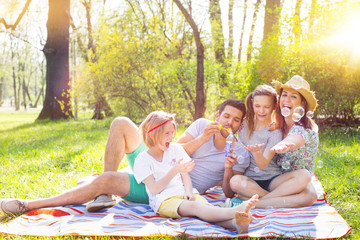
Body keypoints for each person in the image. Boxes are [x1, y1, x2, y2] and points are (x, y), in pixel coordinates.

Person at [0, 99, 249, 216]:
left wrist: (228, 170)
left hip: (166, 190)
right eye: (226, 116)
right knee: (120, 122)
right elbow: (171, 147)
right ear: (218, 115)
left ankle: (30, 204)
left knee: (105, 179)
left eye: (236, 120)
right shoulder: (203, 125)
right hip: (155, 161)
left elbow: (227, 192)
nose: (230, 122)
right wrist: (203, 138)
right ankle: (105, 195)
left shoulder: (235, 150)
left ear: (239, 125)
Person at [133, 110, 259, 233]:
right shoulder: (143, 159)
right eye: (167, 133)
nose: (172, 137)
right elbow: (154, 189)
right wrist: (174, 170)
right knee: (196, 207)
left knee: (207, 210)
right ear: (152, 134)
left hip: (185, 192)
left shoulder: (175, 149)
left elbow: (185, 176)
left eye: (173, 132)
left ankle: (235, 224)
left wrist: (188, 191)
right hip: (164, 200)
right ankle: (236, 211)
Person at [230, 75, 319, 208]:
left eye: (294, 96)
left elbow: (295, 138)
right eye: (284, 95)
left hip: (287, 180)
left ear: (303, 103)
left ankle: (254, 203)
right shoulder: (278, 123)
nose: (287, 99)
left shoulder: (305, 127)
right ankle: (273, 200)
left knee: (310, 194)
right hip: (278, 182)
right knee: (235, 182)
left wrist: (286, 144)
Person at [225, 85, 282, 207]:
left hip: (272, 179)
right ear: (252, 103)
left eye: (266, 107)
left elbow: (262, 165)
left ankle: (255, 199)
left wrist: (257, 152)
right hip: (250, 180)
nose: (261, 111)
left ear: (274, 106)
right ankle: (276, 198)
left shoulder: (275, 131)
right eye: (257, 106)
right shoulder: (244, 125)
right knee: (234, 182)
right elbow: (229, 131)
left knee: (302, 178)